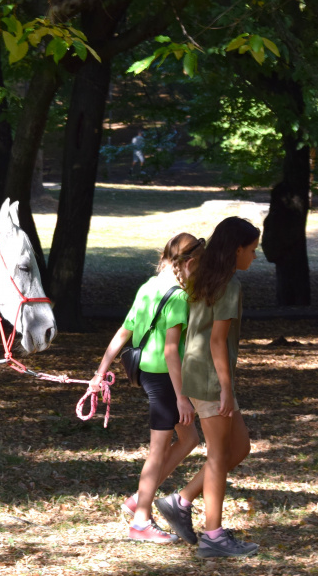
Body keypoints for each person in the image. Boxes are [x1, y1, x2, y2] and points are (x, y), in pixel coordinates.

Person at [156, 217, 261, 558]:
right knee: (218, 457)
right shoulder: (228, 286)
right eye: (252, 250)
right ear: (237, 249)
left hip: (200, 375)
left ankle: (180, 501)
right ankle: (214, 537)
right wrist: (227, 389)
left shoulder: (205, 278)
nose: (254, 257)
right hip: (211, 379)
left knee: (238, 447)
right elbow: (217, 342)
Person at [90, 233, 205, 543]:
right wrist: (182, 398)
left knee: (189, 437)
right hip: (165, 378)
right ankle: (141, 520)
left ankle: (140, 497)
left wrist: (100, 372)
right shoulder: (178, 296)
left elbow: (123, 333)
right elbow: (171, 351)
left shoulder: (148, 287)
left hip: (144, 372)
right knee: (157, 450)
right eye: (199, 267)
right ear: (190, 263)